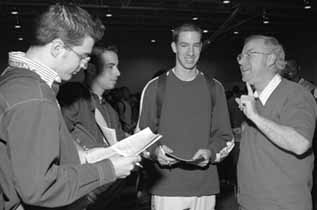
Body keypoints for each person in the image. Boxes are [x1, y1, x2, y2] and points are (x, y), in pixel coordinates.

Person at [0, 4, 140, 210]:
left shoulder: (16, 78)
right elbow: (40, 188)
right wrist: (108, 169)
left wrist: (85, 156)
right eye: (82, 55)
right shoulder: (34, 97)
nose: (85, 64)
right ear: (57, 48)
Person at [136, 22, 233, 210]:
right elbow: (141, 136)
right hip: (167, 188)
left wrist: (211, 153)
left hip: (204, 187)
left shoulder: (214, 88)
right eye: (184, 45)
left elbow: (226, 138)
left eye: (196, 45)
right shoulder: (155, 87)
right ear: (174, 47)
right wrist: (156, 153)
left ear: (201, 47)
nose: (191, 52)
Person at [235, 35, 317, 210]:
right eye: (240, 56)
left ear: (271, 59)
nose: (242, 62)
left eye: (250, 54)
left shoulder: (296, 95)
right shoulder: (252, 101)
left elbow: (300, 143)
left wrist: (255, 117)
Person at [57, 45, 132, 209]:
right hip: (82, 191)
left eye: (117, 67)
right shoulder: (73, 95)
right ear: (91, 69)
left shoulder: (109, 108)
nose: (118, 73)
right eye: (111, 67)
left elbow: (120, 143)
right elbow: (57, 136)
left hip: (106, 191)